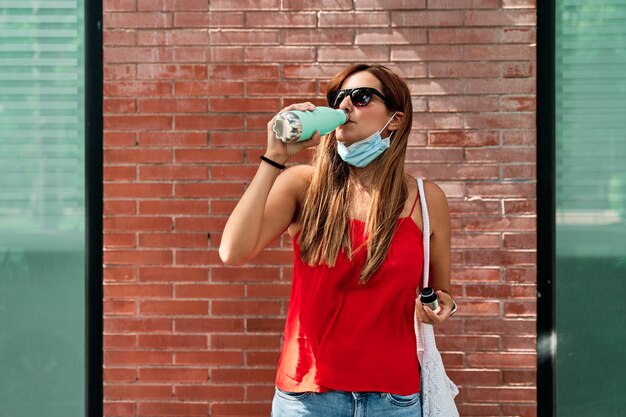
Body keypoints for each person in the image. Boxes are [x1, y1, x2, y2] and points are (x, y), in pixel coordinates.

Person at [219, 64, 457, 417]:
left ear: (394, 119)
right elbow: (233, 252)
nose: (345, 105)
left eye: (361, 97)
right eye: (338, 97)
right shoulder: (304, 185)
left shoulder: (426, 199)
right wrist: (275, 158)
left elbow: (442, 292)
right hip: (309, 397)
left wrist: (441, 307)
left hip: (393, 399)